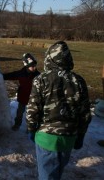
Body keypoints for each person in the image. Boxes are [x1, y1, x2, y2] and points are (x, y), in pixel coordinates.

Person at [26, 41, 92, 180]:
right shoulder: (79, 81)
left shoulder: (41, 80)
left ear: (49, 58)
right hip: (69, 137)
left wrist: (31, 129)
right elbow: (85, 113)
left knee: (47, 175)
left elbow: (32, 109)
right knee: (58, 171)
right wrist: (80, 135)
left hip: (46, 138)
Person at [3, 53, 40, 131]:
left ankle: (30, 128)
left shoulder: (38, 75)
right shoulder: (21, 73)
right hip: (23, 97)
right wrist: (1, 76)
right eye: (32, 66)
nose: (34, 67)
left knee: (32, 114)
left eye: (34, 65)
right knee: (20, 112)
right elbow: (11, 75)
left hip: (33, 99)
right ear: (27, 66)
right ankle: (17, 125)